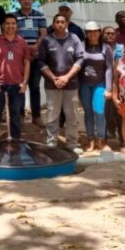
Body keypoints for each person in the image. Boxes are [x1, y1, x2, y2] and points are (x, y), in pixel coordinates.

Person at [38, 13, 84, 151]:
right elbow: (40, 61)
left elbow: (80, 59)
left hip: (71, 84)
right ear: (53, 25)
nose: (60, 24)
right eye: (57, 22)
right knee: (52, 115)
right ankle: (52, 144)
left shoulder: (74, 38)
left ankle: (72, 144)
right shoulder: (46, 40)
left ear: (67, 24)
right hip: (52, 85)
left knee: (72, 115)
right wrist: (54, 78)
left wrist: (66, 77)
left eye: (63, 22)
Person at [0, 13, 30, 142]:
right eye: (7, 23)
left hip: (17, 86)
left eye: (13, 23)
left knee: (16, 115)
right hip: (0, 85)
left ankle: (15, 142)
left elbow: (27, 63)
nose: (10, 26)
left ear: (16, 26)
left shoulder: (22, 42)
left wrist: (24, 82)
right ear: (3, 25)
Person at [13, 0, 48, 127]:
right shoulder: (14, 16)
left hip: (35, 56)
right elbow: (12, 34)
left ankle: (36, 116)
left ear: (32, 0)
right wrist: (25, 49)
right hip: (19, 58)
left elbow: (44, 34)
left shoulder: (40, 16)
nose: (27, 1)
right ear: (19, 0)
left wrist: (35, 47)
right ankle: (20, 115)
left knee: (34, 86)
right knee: (20, 87)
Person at [79, 21, 114, 152]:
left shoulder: (106, 48)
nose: (92, 34)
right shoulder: (81, 46)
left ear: (100, 32)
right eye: (89, 31)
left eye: (95, 31)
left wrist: (109, 88)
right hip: (84, 85)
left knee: (99, 111)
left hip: (100, 84)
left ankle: (102, 140)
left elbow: (109, 69)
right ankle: (90, 140)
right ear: (86, 33)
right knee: (88, 113)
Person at [102, 25, 123, 141]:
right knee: (105, 111)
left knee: (121, 111)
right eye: (107, 33)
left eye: (112, 33)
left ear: (116, 35)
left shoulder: (123, 48)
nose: (109, 35)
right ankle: (105, 136)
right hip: (103, 84)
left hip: (121, 85)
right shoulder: (99, 48)